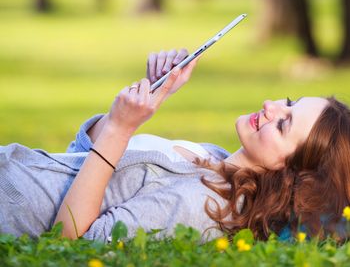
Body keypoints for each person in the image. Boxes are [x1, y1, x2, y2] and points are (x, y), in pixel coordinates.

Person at [0, 49, 349, 243]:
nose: (272, 106)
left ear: (291, 174)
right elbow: (77, 160)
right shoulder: (214, 157)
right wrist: (154, 91)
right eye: (289, 102)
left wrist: (121, 130)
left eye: (284, 123)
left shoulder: (206, 206)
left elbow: (68, 240)